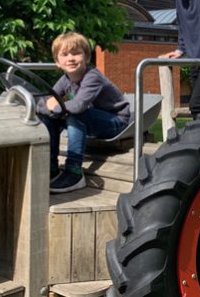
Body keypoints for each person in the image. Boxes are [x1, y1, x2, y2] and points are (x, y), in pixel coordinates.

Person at [37, 32, 131, 194]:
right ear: (57, 62)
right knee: (47, 118)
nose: (70, 58)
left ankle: (74, 172)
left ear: (87, 58)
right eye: (64, 54)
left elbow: (78, 106)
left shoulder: (92, 76)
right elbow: (43, 102)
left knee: (75, 115)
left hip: (115, 120)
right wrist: (50, 108)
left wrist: (54, 107)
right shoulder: (65, 79)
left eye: (76, 53)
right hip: (90, 117)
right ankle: (51, 168)